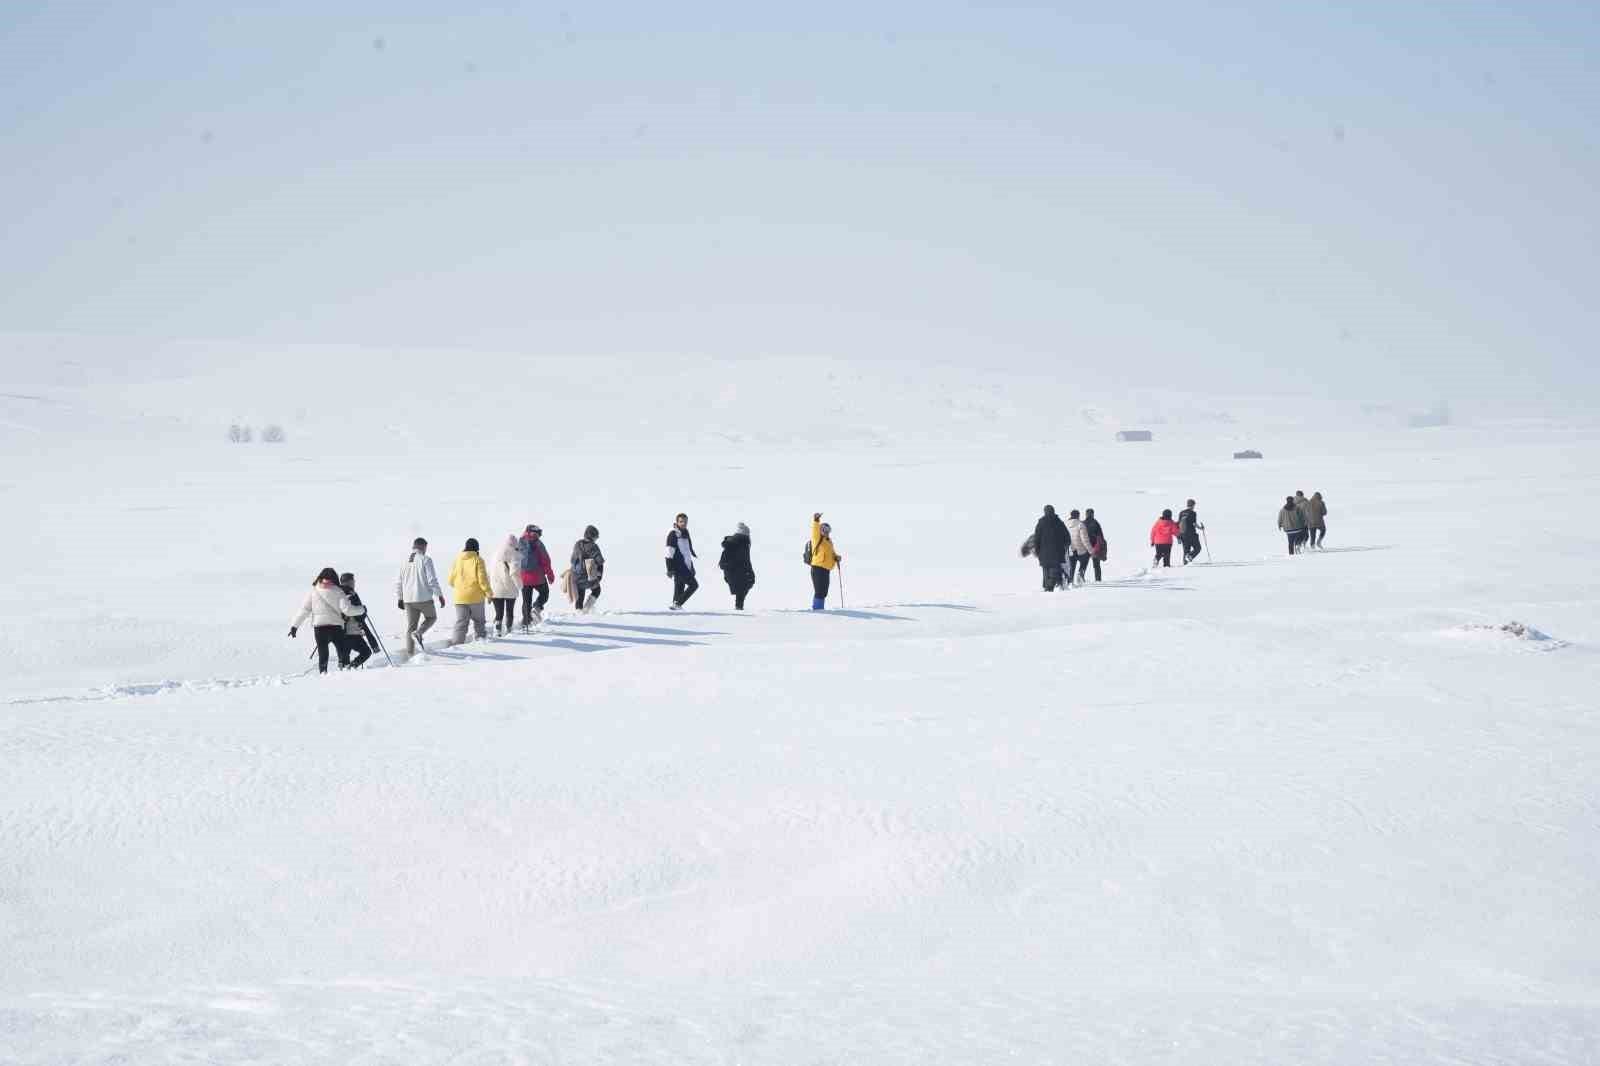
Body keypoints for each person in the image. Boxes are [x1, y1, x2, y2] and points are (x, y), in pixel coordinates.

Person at [289, 567, 366, 674]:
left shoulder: (314, 591)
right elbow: (348, 610)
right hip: (336, 628)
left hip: (320, 629)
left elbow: (304, 610)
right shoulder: (338, 591)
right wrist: (361, 609)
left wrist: (294, 626)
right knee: (342, 652)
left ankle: (323, 673)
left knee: (323, 653)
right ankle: (344, 671)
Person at [395, 537, 446, 655]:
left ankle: (410, 653)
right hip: (424, 598)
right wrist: (440, 595)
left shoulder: (404, 562)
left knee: (410, 627)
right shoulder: (426, 559)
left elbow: (399, 582)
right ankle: (419, 633)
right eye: (425, 548)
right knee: (432, 617)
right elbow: (432, 580)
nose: (426, 550)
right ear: (422, 546)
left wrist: (400, 598)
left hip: (408, 600)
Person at [447, 537, 492, 644]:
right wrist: (489, 593)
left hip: (459, 598)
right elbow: (482, 579)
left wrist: (460, 588)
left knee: (461, 622)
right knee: (479, 622)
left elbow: (450, 580)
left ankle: (456, 644)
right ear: (477, 548)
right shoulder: (478, 560)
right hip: (475, 597)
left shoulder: (457, 560)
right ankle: (481, 642)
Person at [516, 524, 555, 629]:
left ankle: (526, 622)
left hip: (524, 578)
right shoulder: (538, 544)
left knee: (526, 601)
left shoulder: (519, 543)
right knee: (544, 593)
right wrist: (550, 575)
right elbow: (545, 561)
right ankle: (537, 608)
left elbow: (514, 560)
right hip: (538, 577)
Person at [337, 572, 374, 669]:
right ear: (349, 582)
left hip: (343, 631)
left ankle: (347, 668)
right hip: (350, 631)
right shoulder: (349, 593)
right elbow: (353, 611)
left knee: (345, 658)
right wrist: (363, 610)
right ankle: (351, 667)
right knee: (366, 652)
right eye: (353, 581)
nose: (354, 583)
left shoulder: (337, 593)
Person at [489, 534, 521, 636]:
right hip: (510, 589)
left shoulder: (495, 555)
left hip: (496, 589)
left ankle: (498, 629)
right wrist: (520, 585)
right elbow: (514, 573)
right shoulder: (514, 554)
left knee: (499, 613)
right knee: (509, 611)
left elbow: (489, 572)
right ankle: (509, 630)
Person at [719, 522, 756, 610]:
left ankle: (739, 606)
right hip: (736, 570)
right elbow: (745, 561)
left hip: (731, 571)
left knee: (743, 586)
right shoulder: (743, 543)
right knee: (744, 585)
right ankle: (739, 607)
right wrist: (750, 571)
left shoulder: (734, 542)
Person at [665, 512, 699, 610]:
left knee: (680, 586)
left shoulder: (685, 533)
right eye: (681, 522)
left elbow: (687, 552)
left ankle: (675, 607)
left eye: (685, 522)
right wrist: (669, 568)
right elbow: (669, 552)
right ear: (677, 522)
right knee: (694, 585)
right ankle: (678, 604)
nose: (683, 523)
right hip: (678, 566)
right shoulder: (673, 534)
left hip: (685, 565)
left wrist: (691, 566)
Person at [1032, 505, 1068, 591]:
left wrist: (1037, 550)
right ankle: (1050, 586)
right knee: (1054, 568)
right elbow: (1066, 536)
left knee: (1046, 568)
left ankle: (1047, 587)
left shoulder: (1041, 523)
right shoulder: (1059, 522)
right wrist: (1065, 545)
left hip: (1043, 552)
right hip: (1057, 551)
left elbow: (1037, 538)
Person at [809, 512, 841, 610]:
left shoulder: (829, 542)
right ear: (821, 530)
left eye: (828, 530)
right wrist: (816, 520)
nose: (826, 532)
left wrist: (836, 557)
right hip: (817, 568)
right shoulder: (816, 538)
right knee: (819, 590)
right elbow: (815, 529)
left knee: (824, 591)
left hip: (826, 569)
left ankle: (820, 609)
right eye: (824, 530)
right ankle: (817, 609)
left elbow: (832, 553)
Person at [570, 525, 604, 613]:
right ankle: (587, 609)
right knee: (597, 590)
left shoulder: (578, 544)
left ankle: (578, 611)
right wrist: (599, 575)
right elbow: (600, 562)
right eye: (596, 536)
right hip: (589, 575)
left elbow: (572, 559)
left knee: (580, 594)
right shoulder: (593, 547)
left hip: (576, 575)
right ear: (592, 536)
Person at [1065, 509, 1092, 587]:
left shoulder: (1065, 524)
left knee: (1072, 565)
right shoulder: (1081, 524)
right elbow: (1085, 539)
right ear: (1078, 516)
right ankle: (1080, 573)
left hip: (1070, 549)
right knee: (1085, 561)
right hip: (1081, 549)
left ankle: (1070, 581)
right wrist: (1090, 550)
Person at [1083, 508, 1107, 582]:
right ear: (1093, 514)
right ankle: (1098, 580)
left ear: (1086, 514)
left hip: (1085, 546)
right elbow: (1101, 536)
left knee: (1084, 564)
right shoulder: (1096, 523)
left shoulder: (1082, 523)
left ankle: (1080, 578)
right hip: (1095, 547)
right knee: (1096, 565)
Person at [1177, 499, 1204, 564]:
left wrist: (1178, 535)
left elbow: (1178, 523)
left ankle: (1185, 563)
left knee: (1186, 550)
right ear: (1193, 505)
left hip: (1182, 534)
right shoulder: (1193, 513)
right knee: (1198, 548)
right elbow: (1194, 524)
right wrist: (1201, 528)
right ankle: (1190, 556)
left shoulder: (1181, 512)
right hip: (1191, 534)